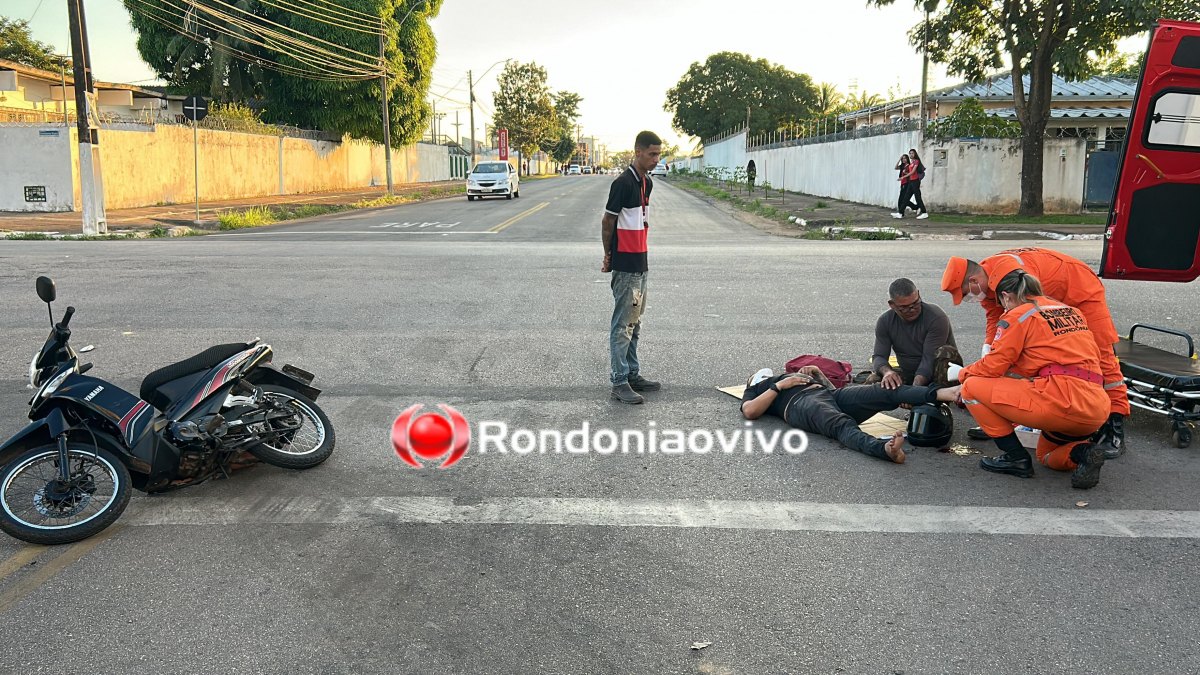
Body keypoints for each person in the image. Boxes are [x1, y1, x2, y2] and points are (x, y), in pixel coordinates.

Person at [941, 247, 1130, 457]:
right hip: (1049, 302)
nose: (969, 299)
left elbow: (1022, 320)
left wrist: (976, 369)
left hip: (1081, 291)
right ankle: (1008, 416)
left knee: (1102, 357)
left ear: (974, 280)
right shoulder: (989, 282)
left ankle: (1114, 427)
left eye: (966, 294)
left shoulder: (1012, 273)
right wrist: (990, 348)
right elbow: (996, 319)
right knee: (1025, 357)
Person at [947, 270, 1109, 489]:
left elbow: (993, 366)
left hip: (1060, 401)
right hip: (1096, 407)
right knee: (1047, 455)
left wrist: (961, 373)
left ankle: (1015, 458)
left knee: (972, 388)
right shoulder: (1071, 311)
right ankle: (1084, 452)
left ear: (1006, 296)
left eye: (1002, 303)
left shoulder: (1017, 315)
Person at [741, 365, 962, 464]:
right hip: (801, 404)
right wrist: (779, 386)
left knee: (884, 391)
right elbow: (750, 411)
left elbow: (828, 391)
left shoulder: (785, 375)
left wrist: (818, 374)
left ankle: (945, 393)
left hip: (830, 393)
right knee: (840, 424)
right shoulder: (757, 389)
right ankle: (885, 450)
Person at [602, 131, 663, 404]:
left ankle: (633, 373)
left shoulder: (646, 183)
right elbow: (608, 221)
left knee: (635, 324)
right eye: (651, 154)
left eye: (658, 154)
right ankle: (619, 381)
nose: (656, 159)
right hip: (626, 264)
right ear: (637, 151)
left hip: (641, 261)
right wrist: (608, 255)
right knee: (622, 325)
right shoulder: (623, 183)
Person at [869, 278, 958, 389]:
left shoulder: (936, 317)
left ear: (919, 295)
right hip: (909, 373)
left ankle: (936, 397)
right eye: (904, 308)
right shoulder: (885, 321)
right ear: (892, 305)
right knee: (874, 379)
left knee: (945, 352)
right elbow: (879, 356)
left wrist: (913, 391)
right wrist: (887, 373)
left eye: (916, 303)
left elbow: (928, 360)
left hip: (939, 373)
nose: (912, 310)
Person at [905, 148, 929, 219]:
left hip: (915, 181)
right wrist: (906, 173)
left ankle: (924, 212)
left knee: (917, 197)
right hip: (911, 181)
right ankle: (915, 207)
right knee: (906, 197)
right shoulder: (911, 162)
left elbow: (913, 172)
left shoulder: (916, 161)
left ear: (915, 154)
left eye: (912, 153)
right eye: (910, 153)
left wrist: (904, 176)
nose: (911, 154)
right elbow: (911, 173)